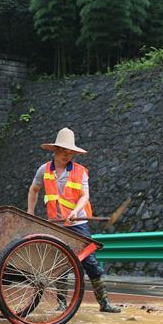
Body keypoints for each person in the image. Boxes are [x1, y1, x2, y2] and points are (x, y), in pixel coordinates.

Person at [26, 127, 121, 313]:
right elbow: (33, 190)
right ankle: (62, 303)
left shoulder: (80, 171)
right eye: (64, 151)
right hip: (56, 225)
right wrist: (30, 212)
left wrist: (76, 211)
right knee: (59, 264)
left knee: (90, 263)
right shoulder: (44, 170)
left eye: (71, 153)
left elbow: (85, 196)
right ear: (55, 150)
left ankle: (104, 303)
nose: (67, 156)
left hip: (78, 224)